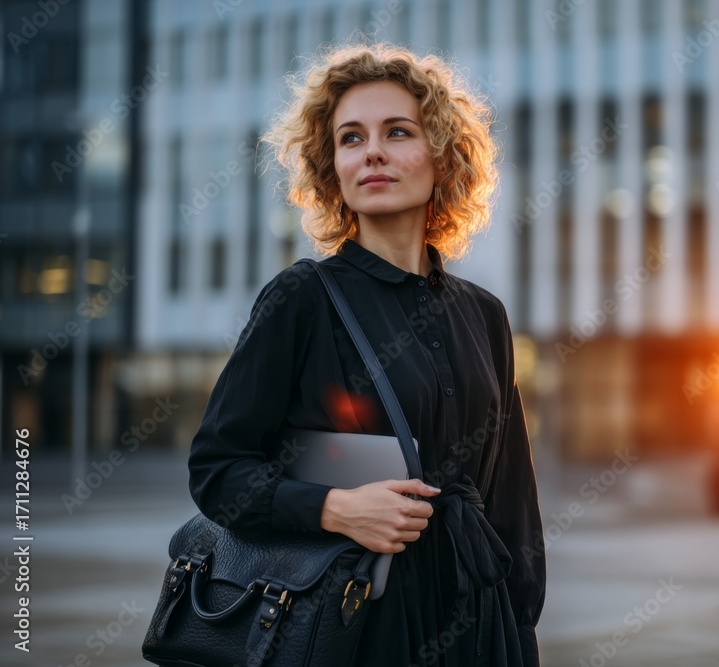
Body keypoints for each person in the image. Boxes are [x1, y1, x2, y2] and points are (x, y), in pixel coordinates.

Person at [186, 43, 546, 667]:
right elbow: (217, 471)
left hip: (480, 629)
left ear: (443, 155)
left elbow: (514, 503)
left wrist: (518, 631)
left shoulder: (484, 313)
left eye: (397, 132)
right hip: (357, 624)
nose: (372, 150)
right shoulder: (301, 297)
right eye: (350, 138)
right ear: (334, 169)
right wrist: (336, 509)